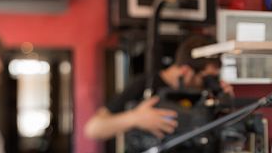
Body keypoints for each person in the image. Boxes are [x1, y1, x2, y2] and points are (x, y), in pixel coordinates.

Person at [84, 34, 233, 141]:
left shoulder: (208, 91)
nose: (210, 82)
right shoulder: (144, 85)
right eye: (205, 77)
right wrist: (135, 118)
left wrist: (226, 104)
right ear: (186, 71)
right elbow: (93, 129)